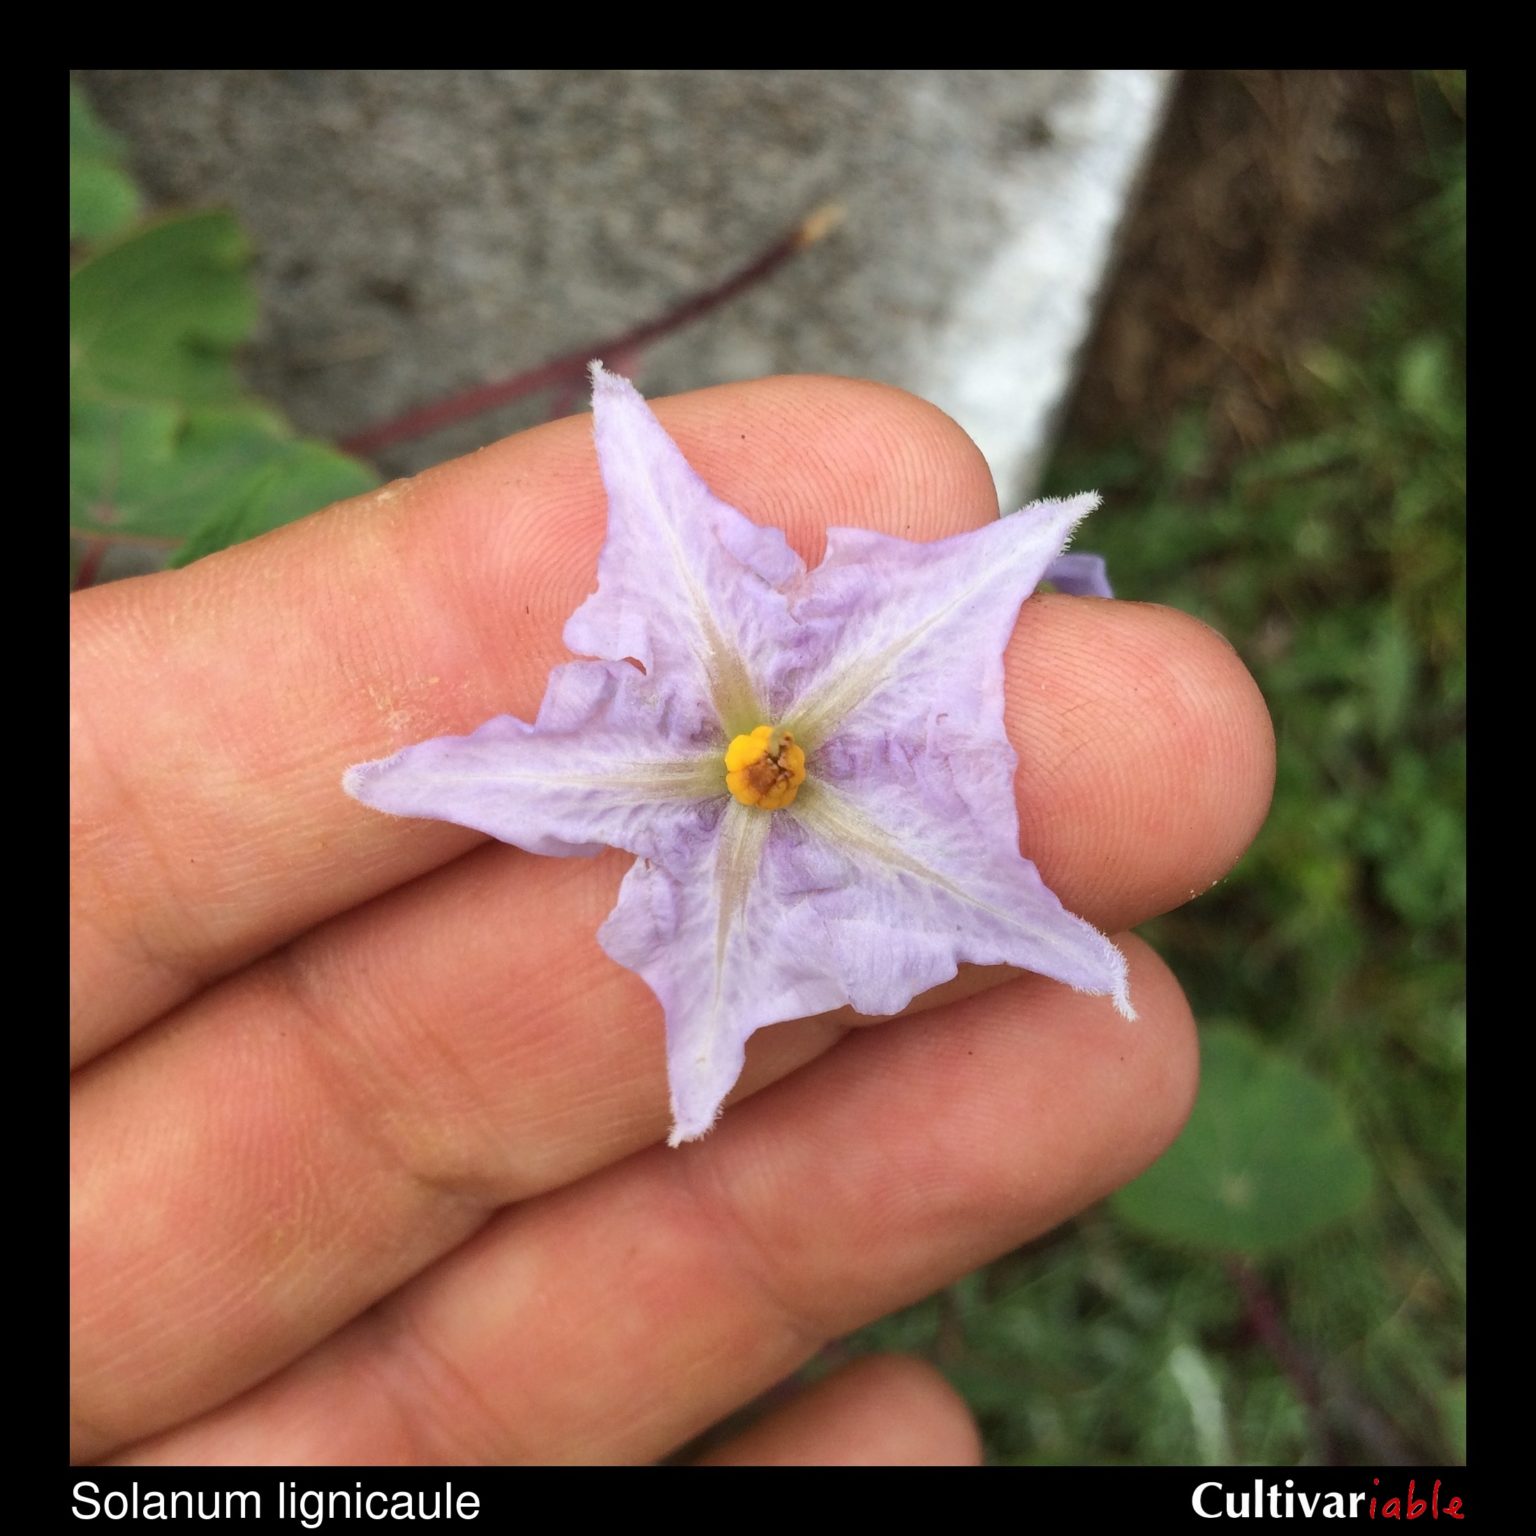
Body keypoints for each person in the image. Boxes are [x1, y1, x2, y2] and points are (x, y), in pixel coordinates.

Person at [69, 376, 1275, 1466]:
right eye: (768, 763)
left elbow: (957, 799)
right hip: (705, 772)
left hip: (802, 772)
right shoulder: (735, 737)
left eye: (772, 766)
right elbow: (646, 587)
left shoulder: (796, 733)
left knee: (1101, 808)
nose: (769, 763)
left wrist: (1034, 553)